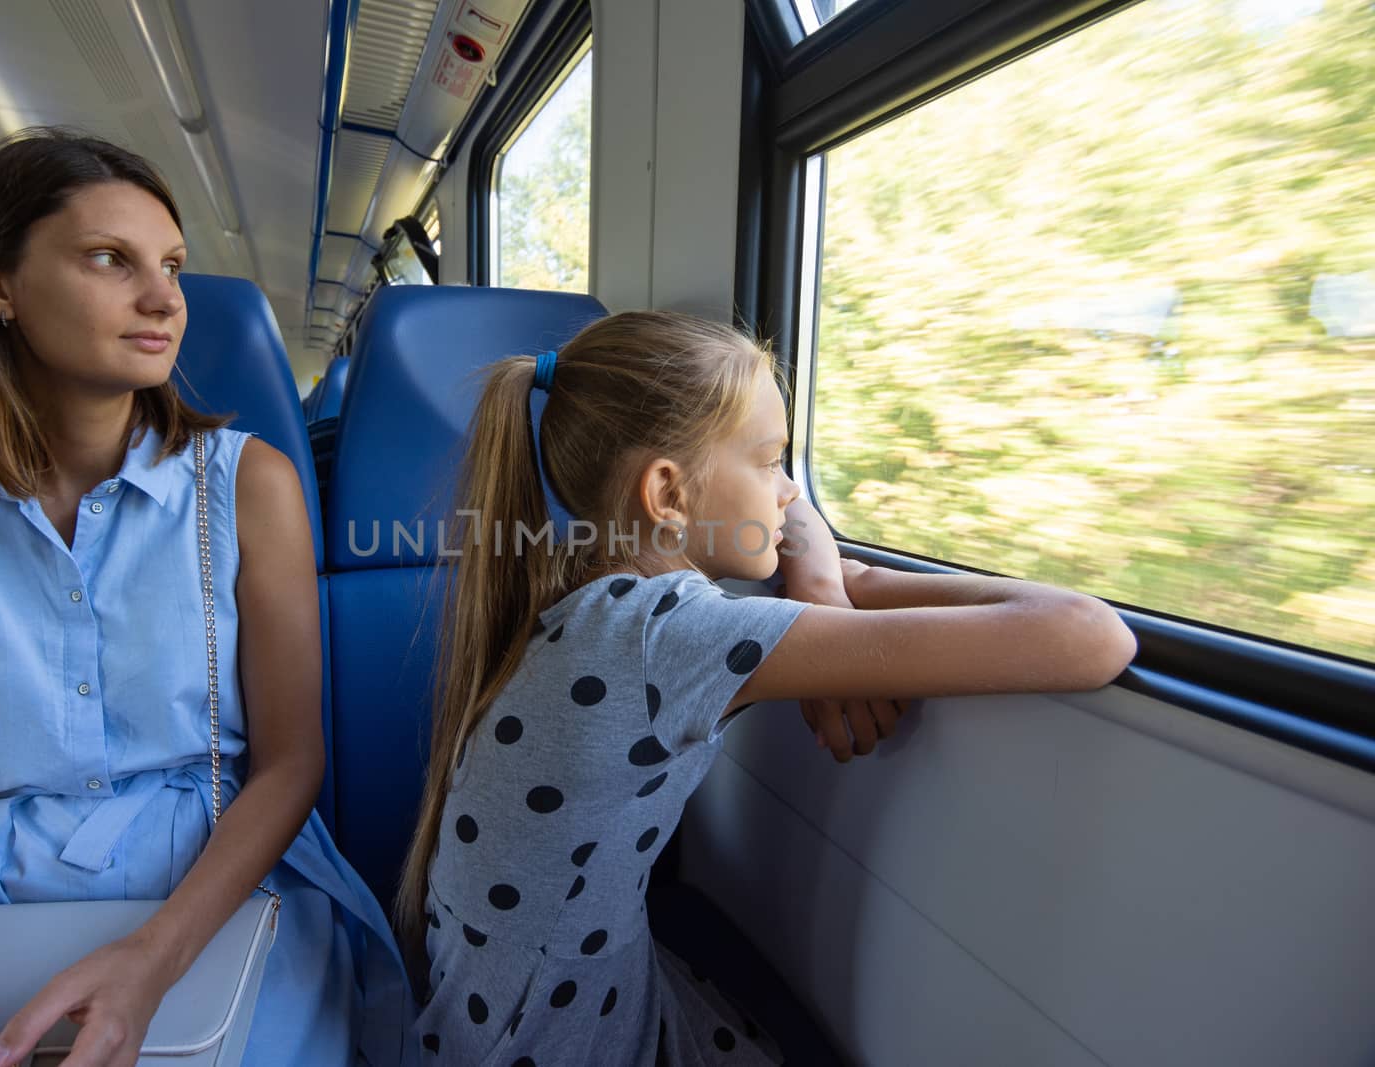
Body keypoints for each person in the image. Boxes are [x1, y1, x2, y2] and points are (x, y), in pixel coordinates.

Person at [397, 313, 1137, 1064]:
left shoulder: (591, 589)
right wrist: (833, 578)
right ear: (668, 493)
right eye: (772, 461)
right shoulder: (666, 634)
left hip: (518, 1004)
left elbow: (795, 530)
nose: (790, 494)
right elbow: (1091, 634)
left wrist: (822, 576)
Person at [0, 128, 417, 1067]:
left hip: (226, 885)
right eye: (111, 260)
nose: (164, 300)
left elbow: (290, 762)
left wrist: (151, 958)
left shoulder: (249, 486)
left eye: (173, 267)